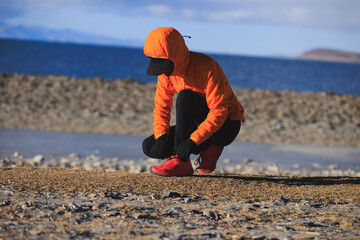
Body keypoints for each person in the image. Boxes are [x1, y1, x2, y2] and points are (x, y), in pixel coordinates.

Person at [142, 27, 245, 176]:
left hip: (226, 126)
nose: (164, 71)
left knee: (185, 96)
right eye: (158, 66)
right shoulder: (166, 73)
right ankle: (206, 150)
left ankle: (181, 162)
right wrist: (162, 137)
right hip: (200, 125)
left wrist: (192, 141)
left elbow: (219, 111)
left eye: (165, 65)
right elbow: (161, 108)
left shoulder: (206, 66)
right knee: (149, 146)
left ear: (175, 56)